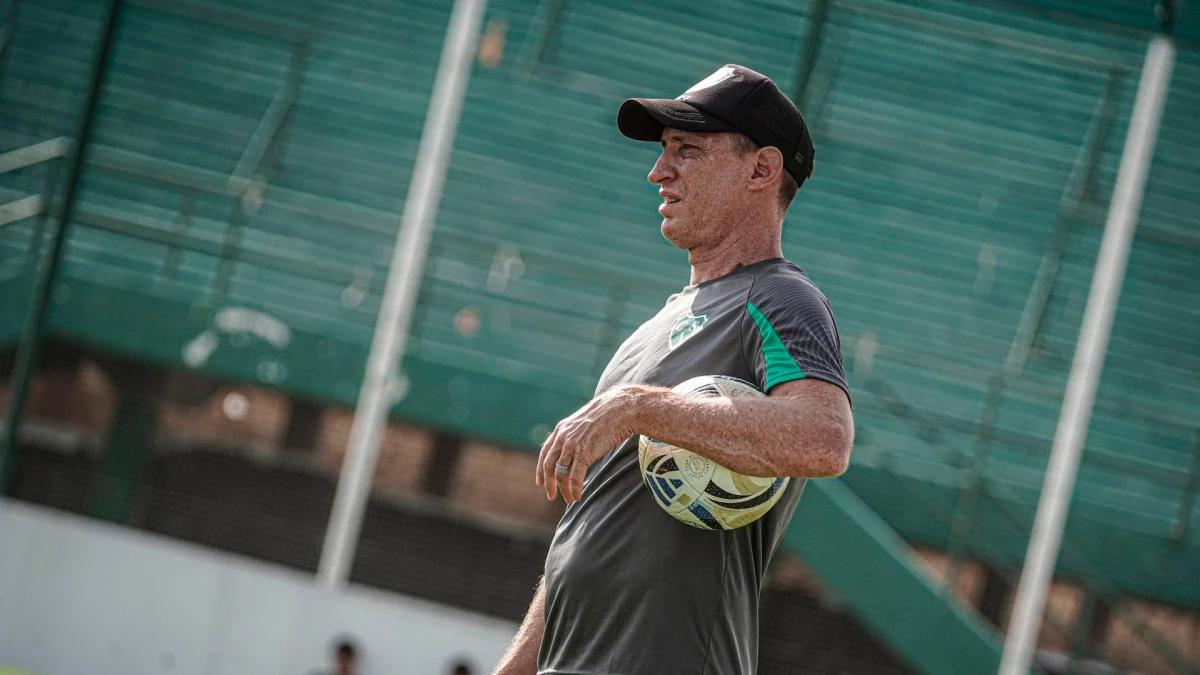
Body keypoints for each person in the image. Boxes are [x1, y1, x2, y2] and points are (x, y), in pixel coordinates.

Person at [491, 64, 855, 674]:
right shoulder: (655, 328)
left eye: (686, 151)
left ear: (762, 170)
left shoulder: (779, 297)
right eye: (664, 153)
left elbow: (825, 439)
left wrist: (640, 407)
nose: (659, 172)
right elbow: (588, 532)